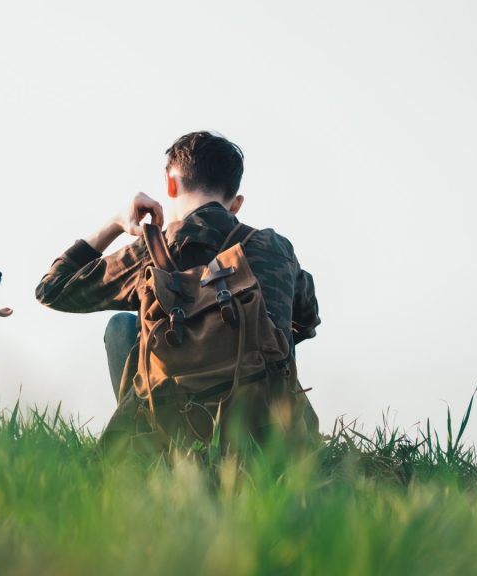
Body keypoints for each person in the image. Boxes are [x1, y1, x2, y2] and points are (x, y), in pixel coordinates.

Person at [35, 131, 320, 454]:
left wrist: (115, 223)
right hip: (267, 435)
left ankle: (147, 444)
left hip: (176, 428)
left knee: (123, 327)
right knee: (276, 334)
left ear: (170, 185)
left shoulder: (152, 252)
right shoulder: (275, 248)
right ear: (236, 204)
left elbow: (52, 289)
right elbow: (309, 319)